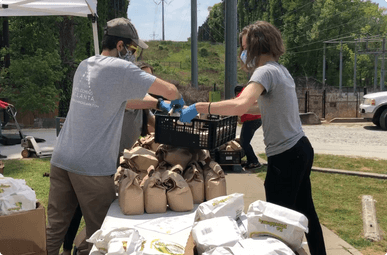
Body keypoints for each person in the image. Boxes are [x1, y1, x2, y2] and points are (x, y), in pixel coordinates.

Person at [179, 20, 326, 255]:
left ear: (258, 45)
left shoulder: (264, 71)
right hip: (301, 149)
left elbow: (240, 104)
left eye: (244, 46)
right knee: (305, 212)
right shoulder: (281, 70)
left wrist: (199, 106)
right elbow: (264, 106)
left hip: (286, 155)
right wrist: (243, 109)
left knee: (278, 223)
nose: (242, 52)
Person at [46, 17, 184, 255]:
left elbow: (122, 99)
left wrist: (157, 104)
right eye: (132, 49)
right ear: (120, 46)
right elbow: (171, 90)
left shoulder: (86, 64)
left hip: (61, 159)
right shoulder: (122, 68)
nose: (134, 55)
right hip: (91, 166)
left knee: (55, 227)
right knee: (103, 231)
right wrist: (177, 101)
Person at [234, 85, 262, 170]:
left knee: (244, 142)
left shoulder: (240, 96)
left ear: (236, 92)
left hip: (251, 121)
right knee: (245, 141)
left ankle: (254, 162)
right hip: (256, 119)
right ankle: (250, 161)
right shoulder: (247, 93)